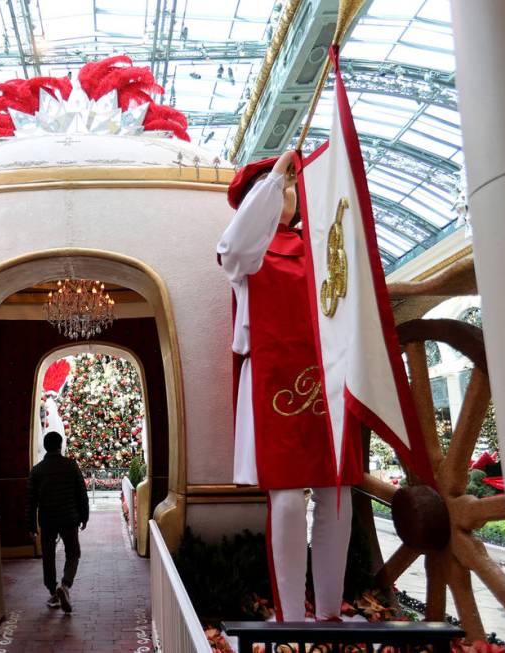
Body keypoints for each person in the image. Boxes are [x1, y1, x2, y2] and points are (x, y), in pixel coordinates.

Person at [217, 149, 362, 622]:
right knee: (285, 498)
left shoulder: (322, 248)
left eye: (294, 187)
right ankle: (292, 621)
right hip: (274, 384)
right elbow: (237, 245)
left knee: (335, 493)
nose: (290, 194)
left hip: (328, 381)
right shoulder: (247, 255)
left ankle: (327, 613)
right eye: (280, 188)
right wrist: (274, 174)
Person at [25, 431, 89, 614]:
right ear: (60, 445)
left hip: (47, 520)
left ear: (45, 447)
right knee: (73, 553)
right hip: (69, 518)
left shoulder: (37, 471)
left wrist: (31, 525)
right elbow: (81, 493)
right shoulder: (71, 465)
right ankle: (66, 585)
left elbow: (30, 501)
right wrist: (84, 516)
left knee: (49, 556)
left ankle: (53, 591)